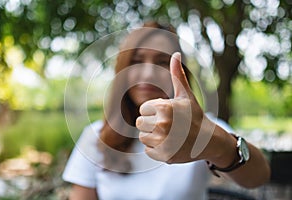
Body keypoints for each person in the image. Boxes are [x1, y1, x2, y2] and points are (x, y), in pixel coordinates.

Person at [62, 22, 270, 200]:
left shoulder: (202, 129)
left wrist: (216, 144)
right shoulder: (95, 137)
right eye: (137, 61)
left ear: (180, 74)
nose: (149, 73)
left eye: (162, 62)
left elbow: (259, 176)